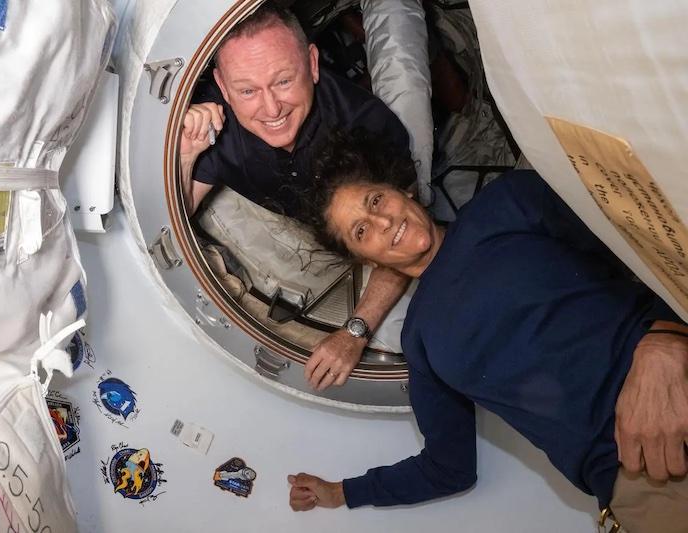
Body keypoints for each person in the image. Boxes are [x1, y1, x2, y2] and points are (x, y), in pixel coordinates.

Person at [287, 133, 688, 533]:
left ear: (401, 189)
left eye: (376, 200)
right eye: (361, 231)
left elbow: (651, 242)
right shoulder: (420, 342)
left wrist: (666, 340)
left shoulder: (506, 203)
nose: (383, 221)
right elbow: (448, 468)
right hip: (641, 479)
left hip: (675, 381)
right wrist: (342, 492)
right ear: (364, 260)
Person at [178, 3, 418, 390]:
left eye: (284, 81)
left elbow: (409, 237)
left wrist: (354, 332)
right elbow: (177, 213)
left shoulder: (367, 126)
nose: (271, 108)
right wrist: (187, 152)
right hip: (298, 224)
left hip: (363, 232)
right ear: (223, 87)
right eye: (247, 90)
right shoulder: (215, 123)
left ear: (312, 63)